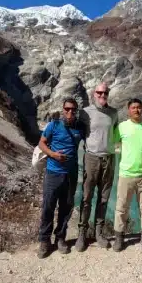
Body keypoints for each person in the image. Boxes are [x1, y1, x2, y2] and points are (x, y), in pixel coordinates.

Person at [36, 97, 86, 259]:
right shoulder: (53, 125)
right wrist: (52, 154)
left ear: (76, 111)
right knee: (48, 207)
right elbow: (41, 143)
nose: (70, 112)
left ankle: (60, 238)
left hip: (71, 174)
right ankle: (44, 241)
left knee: (66, 208)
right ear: (63, 109)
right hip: (53, 172)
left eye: (73, 110)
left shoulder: (80, 128)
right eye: (67, 109)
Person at [112, 98, 142, 252]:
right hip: (126, 175)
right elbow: (112, 142)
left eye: (139, 107)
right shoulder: (121, 127)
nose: (136, 110)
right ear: (128, 110)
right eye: (133, 107)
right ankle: (119, 237)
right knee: (121, 208)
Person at [76, 82, 118, 251]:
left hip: (108, 158)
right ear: (94, 94)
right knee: (86, 197)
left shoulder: (114, 113)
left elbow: (115, 132)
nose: (102, 95)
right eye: (99, 92)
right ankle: (82, 233)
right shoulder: (85, 113)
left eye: (105, 93)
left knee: (104, 197)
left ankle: (99, 232)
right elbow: (77, 133)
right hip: (91, 158)